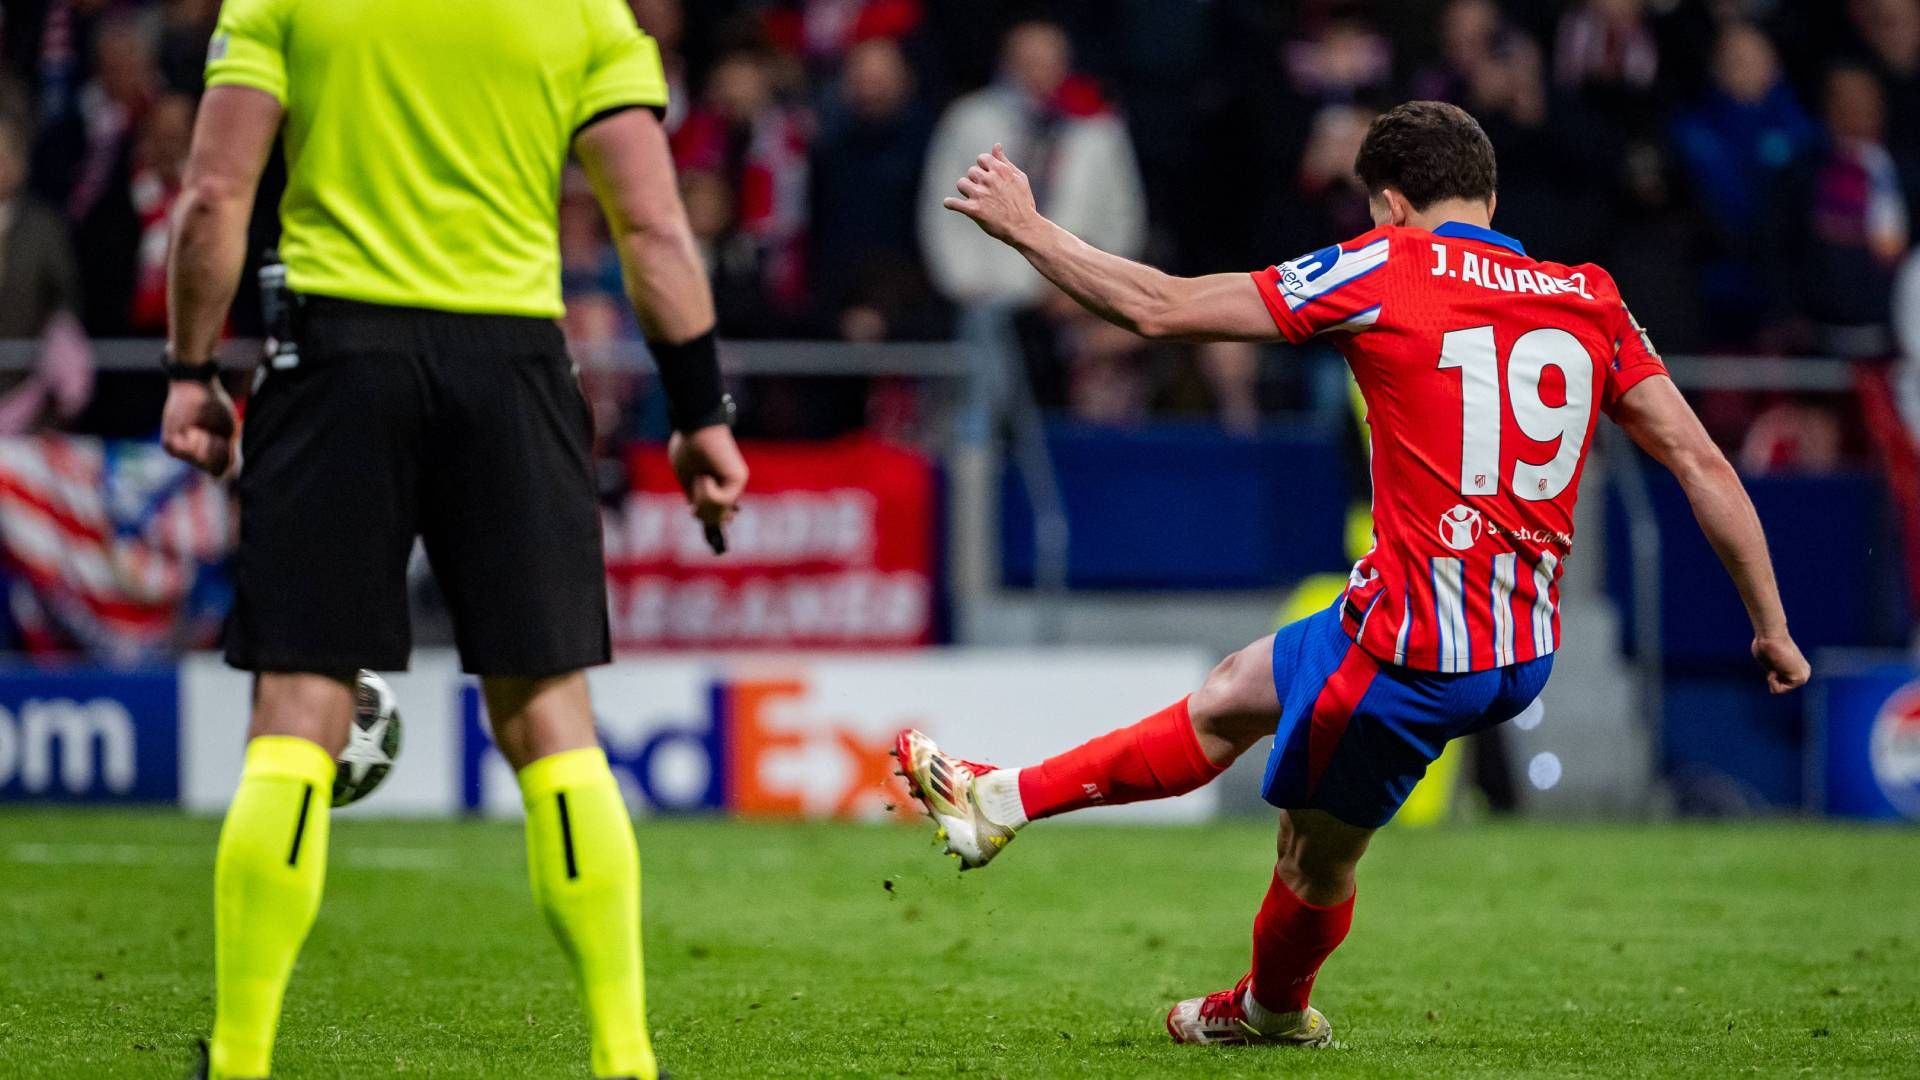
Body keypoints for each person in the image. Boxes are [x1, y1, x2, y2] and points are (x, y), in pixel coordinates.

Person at [894, 101, 1810, 1049]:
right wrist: (1772, 627)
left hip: (1412, 653)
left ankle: (1271, 1013)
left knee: (1312, 860)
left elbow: (1158, 307)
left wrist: (1029, 230)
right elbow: (1703, 463)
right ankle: (999, 802)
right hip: (1519, 642)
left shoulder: (1386, 264)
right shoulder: (1588, 297)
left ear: (1390, 205)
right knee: (1234, 690)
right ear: (1489, 197)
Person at [159, 2, 747, 1078]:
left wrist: (191, 370)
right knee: (550, 716)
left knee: (298, 710)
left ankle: (239, 1061)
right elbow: (655, 228)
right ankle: (625, 1058)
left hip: (337, 357)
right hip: (512, 366)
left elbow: (212, 196)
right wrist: (701, 410)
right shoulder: (584, 11)